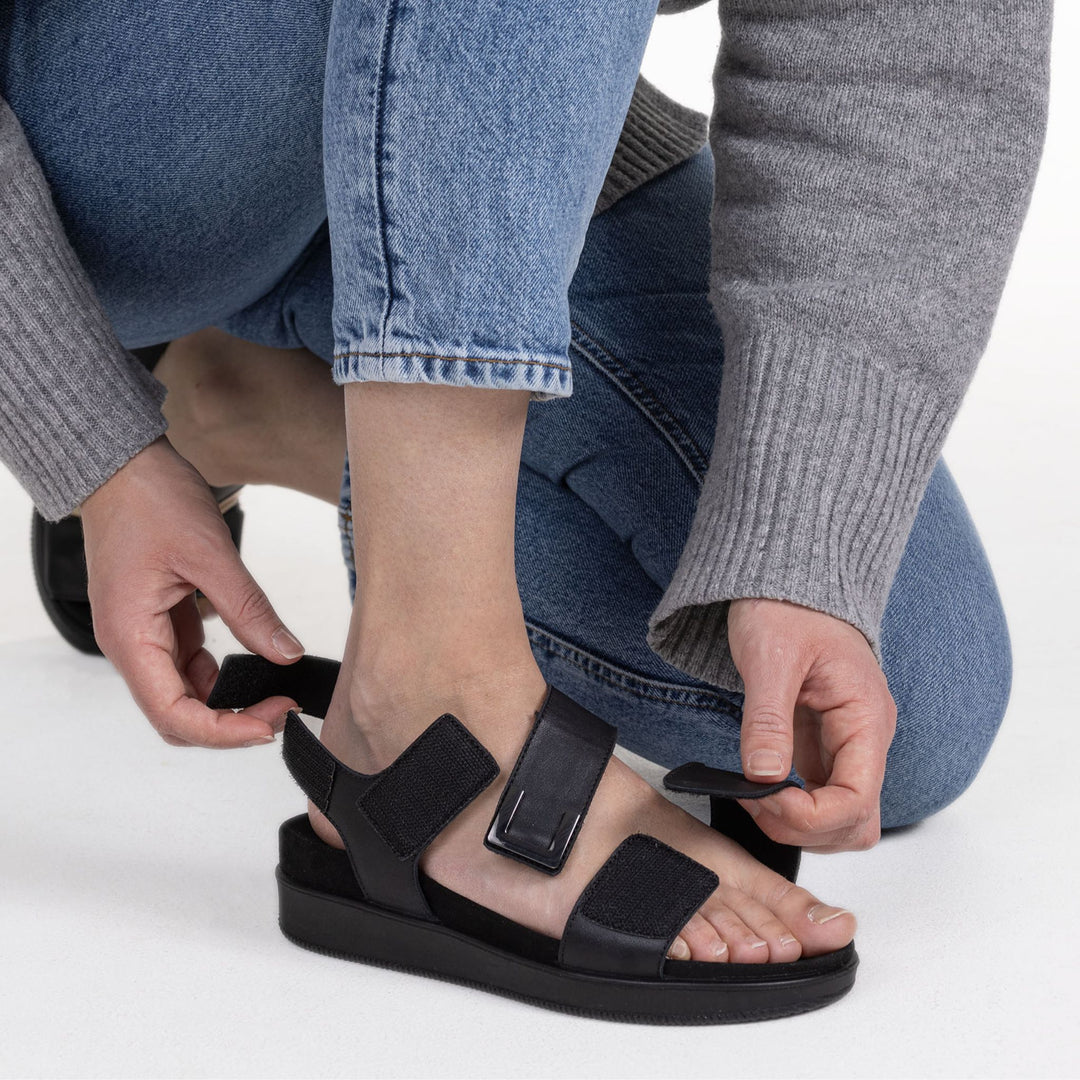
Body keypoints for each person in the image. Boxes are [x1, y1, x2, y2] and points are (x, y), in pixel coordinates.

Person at [0, 0, 1050, 1019]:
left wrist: (805, 536)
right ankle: (430, 689)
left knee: (900, 704)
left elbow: (910, 41)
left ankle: (227, 402)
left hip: (494, 124)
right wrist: (92, 442)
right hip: (141, 144)